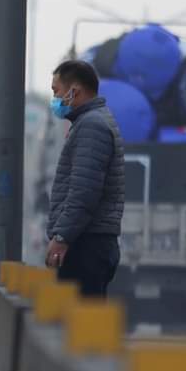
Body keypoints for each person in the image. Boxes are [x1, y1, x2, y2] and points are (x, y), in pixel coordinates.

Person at [45, 60, 125, 297]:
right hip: (88, 242)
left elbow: (84, 191)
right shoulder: (90, 122)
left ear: (74, 92)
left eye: (56, 91)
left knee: (81, 325)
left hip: (87, 245)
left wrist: (62, 237)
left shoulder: (92, 126)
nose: (55, 98)